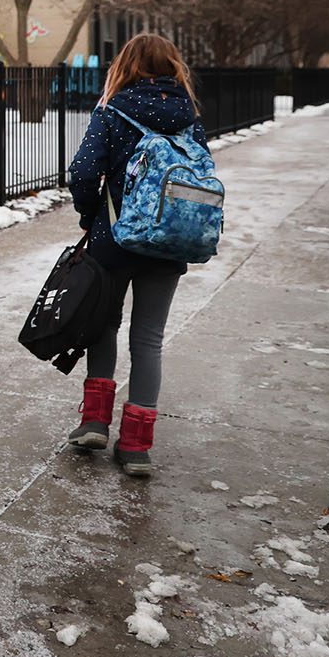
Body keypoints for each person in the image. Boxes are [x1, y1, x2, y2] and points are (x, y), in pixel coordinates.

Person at [65, 33, 208, 478]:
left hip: (115, 240)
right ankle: (136, 446)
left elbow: (84, 171)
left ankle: (94, 423)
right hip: (169, 242)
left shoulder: (114, 110)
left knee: (104, 325)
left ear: (125, 65)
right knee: (148, 340)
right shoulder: (189, 116)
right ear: (173, 66)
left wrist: (91, 214)